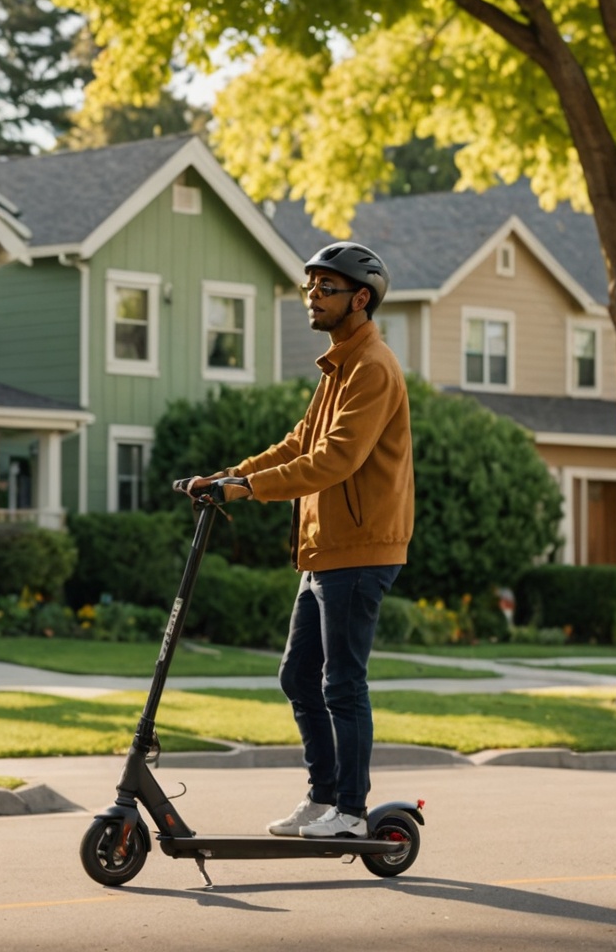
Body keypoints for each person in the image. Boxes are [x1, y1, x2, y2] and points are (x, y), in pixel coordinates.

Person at [190, 241, 413, 840]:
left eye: (325, 288)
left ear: (360, 298)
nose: (311, 298)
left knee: (342, 680)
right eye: (308, 288)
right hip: (325, 549)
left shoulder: (372, 367)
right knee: (298, 675)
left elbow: (334, 460)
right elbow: (299, 444)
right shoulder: (338, 366)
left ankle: (351, 810)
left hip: (361, 549)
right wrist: (231, 476)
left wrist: (247, 491)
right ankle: (322, 798)